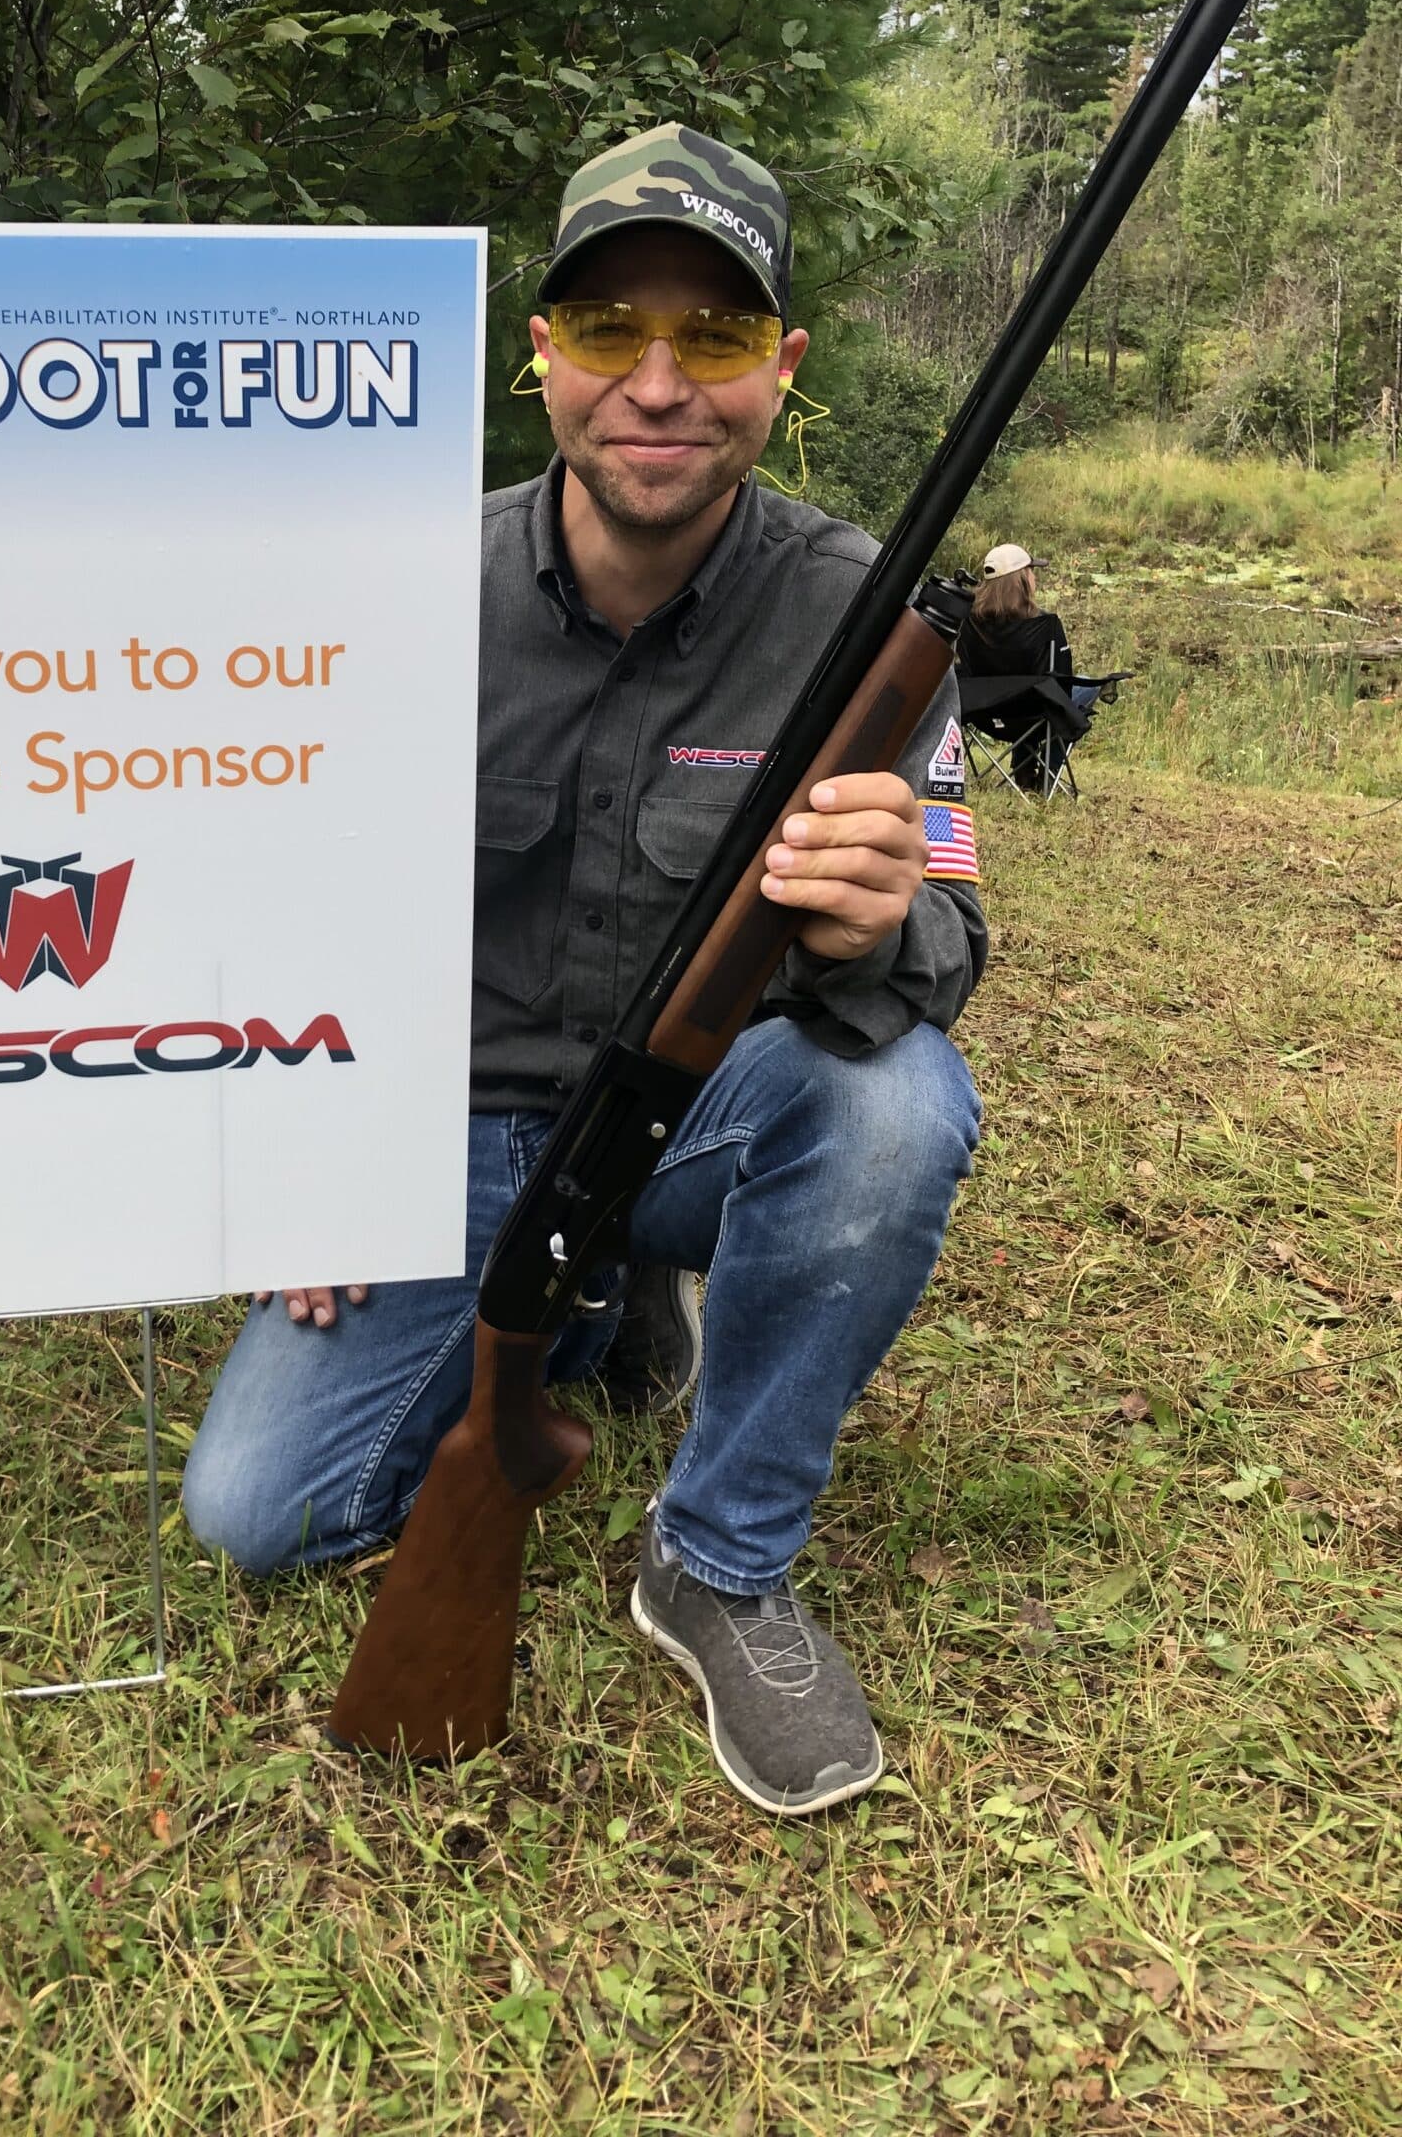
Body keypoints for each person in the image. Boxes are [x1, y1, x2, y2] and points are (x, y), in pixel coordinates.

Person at [183, 125, 987, 1815]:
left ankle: (718, 1564)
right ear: (541, 355)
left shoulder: (869, 625)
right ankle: (595, 1322)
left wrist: (882, 916)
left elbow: (955, 937)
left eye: (713, 338)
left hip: (693, 1118)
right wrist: (307, 1156)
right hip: (434, 1128)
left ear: (783, 367)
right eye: (612, 331)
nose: (661, 384)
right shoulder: (395, 589)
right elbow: (264, 897)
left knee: (900, 1105)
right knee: (261, 1520)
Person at [958, 545, 1101, 791]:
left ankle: (1024, 763)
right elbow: (1062, 684)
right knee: (1079, 689)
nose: (1035, 578)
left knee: (1034, 694)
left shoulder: (967, 620)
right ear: (1021, 579)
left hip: (983, 713)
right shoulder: (1044, 625)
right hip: (1033, 714)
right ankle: (1048, 771)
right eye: (1032, 571)